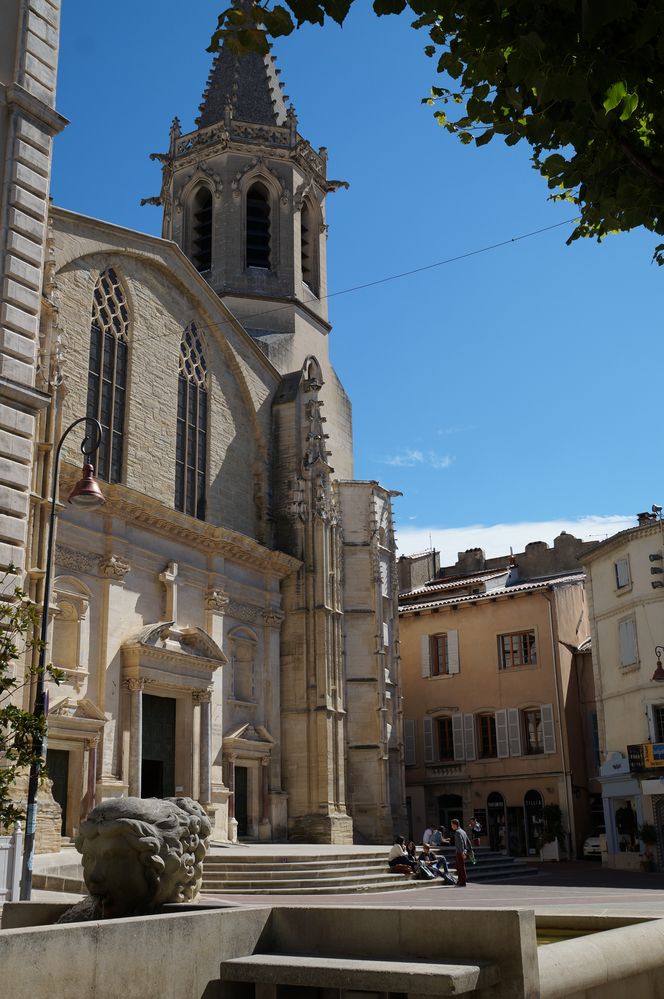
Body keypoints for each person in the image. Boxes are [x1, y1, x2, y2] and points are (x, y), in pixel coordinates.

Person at [451, 817, 474, 887]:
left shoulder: (457, 832)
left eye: (452, 825)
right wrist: (470, 850)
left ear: (455, 825)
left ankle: (463, 881)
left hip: (460, 852)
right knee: (458, 867)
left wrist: (462, 852)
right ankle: (460, 880)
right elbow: (468, 841)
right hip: (463, 851)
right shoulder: (463, 831)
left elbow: (460, 843)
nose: (451, 826)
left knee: (461, 867)